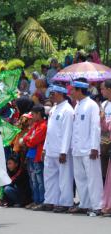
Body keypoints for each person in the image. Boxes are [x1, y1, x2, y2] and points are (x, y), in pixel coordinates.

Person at [36, 85, 74, 213]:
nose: (51, 96)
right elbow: (49, 132)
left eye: (53, 93)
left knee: (64, 178)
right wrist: (44, 149)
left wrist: (63, 151)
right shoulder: (53, 109)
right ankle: (51, 201)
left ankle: (65, 202)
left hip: (61, 151)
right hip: (50, 149)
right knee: (49, 177)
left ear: (61, 94)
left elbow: (67, 132)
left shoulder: (67, 110)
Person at [69, 78, 103, 216]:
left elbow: (95, 127)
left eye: (73, 90)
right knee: (80, 178)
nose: (71, 92)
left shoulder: (92, 105)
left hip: (89, 149)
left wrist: (94, 147)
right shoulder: (77, 105)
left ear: (79, 90)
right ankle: (85, 204)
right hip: (77, 149)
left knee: (93, 178)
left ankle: (97, 206)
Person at [23, 105, 47, 210]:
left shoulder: (43, 126)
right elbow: (26, 138)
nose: (32, 116)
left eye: (33, 114)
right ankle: (35, 200)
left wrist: (28, 139)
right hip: (30, 156)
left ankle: (41, 201)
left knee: (40, 181)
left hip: (37, 156)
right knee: (33, 181)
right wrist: (29, 139)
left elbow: (33, 141)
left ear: (39, 114)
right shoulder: (35, 125)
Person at [99, 80, 111, 215]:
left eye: (103, 89)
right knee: (107, 175)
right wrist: (102, 120)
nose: (101, 91)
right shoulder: (104, 105)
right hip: (105, 143)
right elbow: (102, 127)